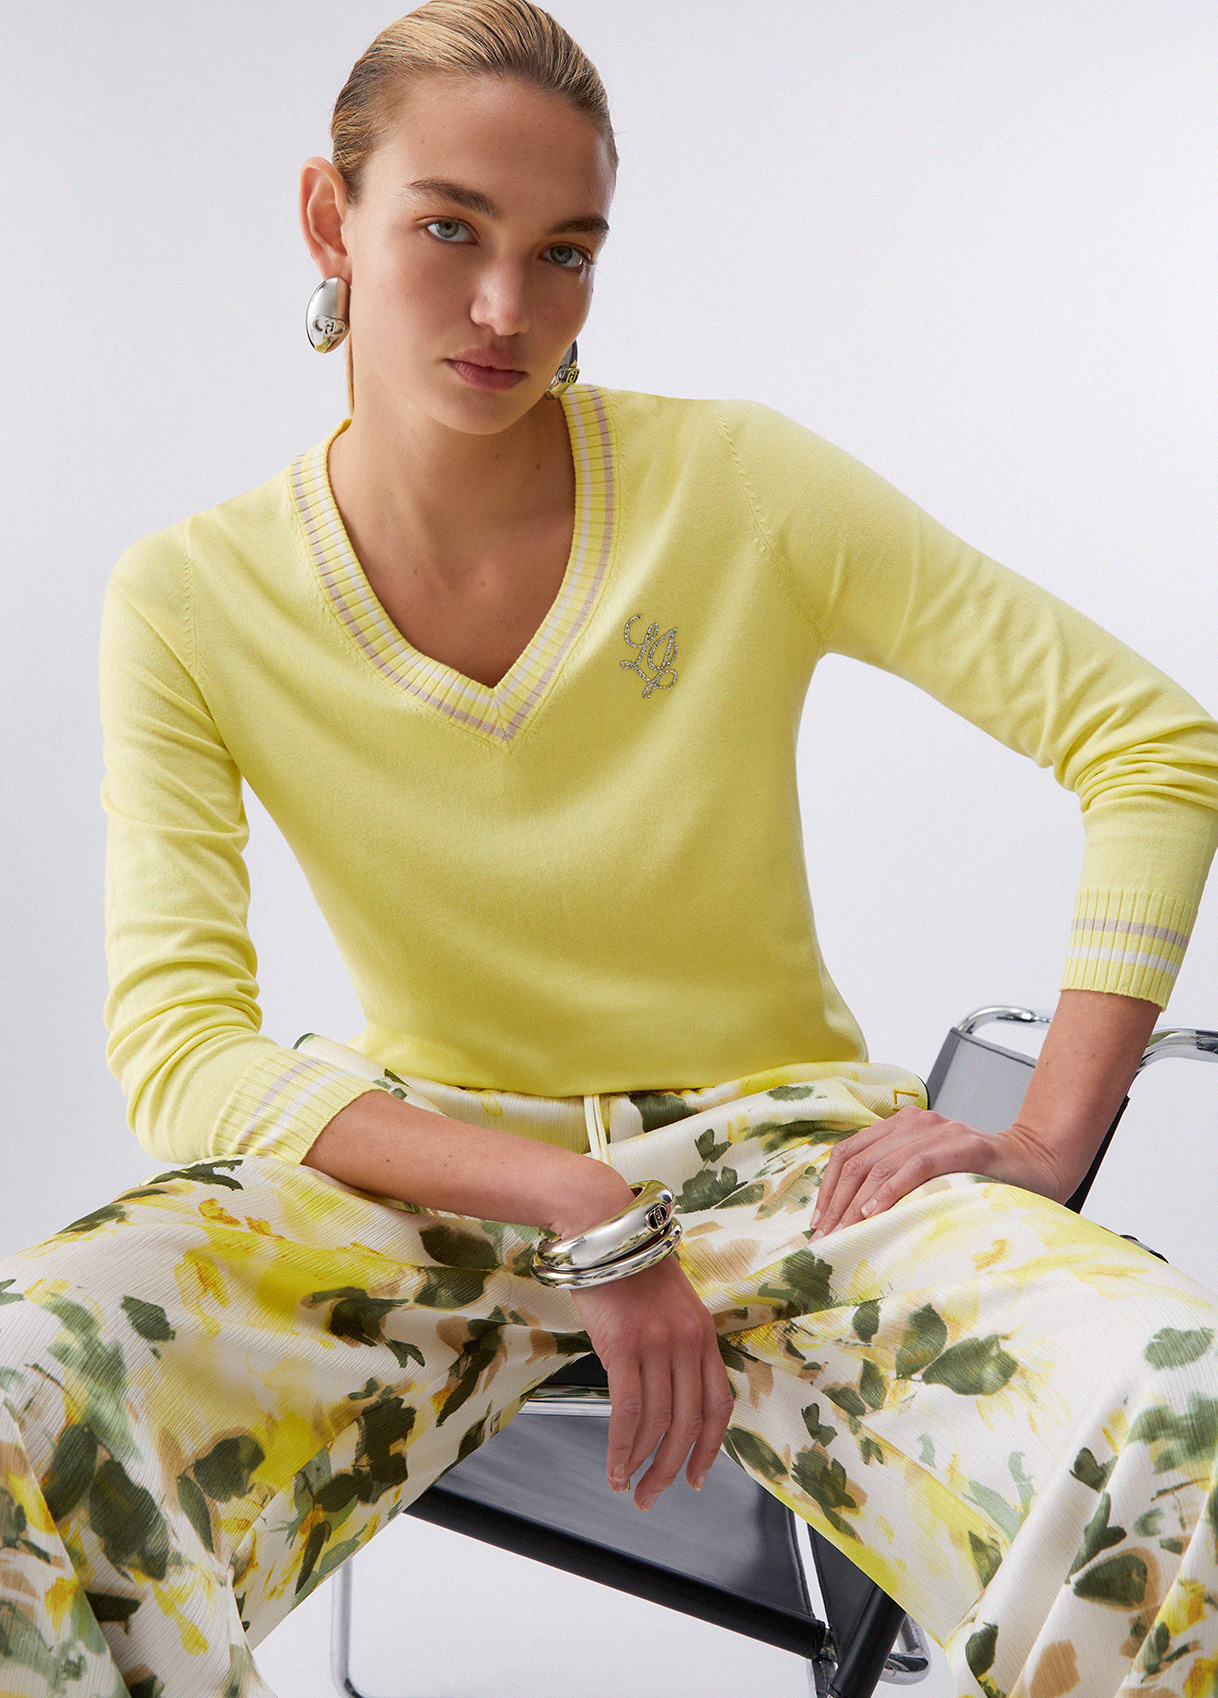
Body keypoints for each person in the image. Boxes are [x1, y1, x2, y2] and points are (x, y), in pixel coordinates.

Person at [1, 3, 1216, 1694]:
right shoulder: (191, 596)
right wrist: (579, 1202)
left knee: (1184, 1406)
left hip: (791, 1177)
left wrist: (1044, 1135)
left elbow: (1148, 744)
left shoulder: (738, 484)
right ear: (328, 218)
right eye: (450, 230)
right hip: (420, 1192)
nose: (508, 308)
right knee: (25, 1390)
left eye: (563, 253)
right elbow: (180, 1045)